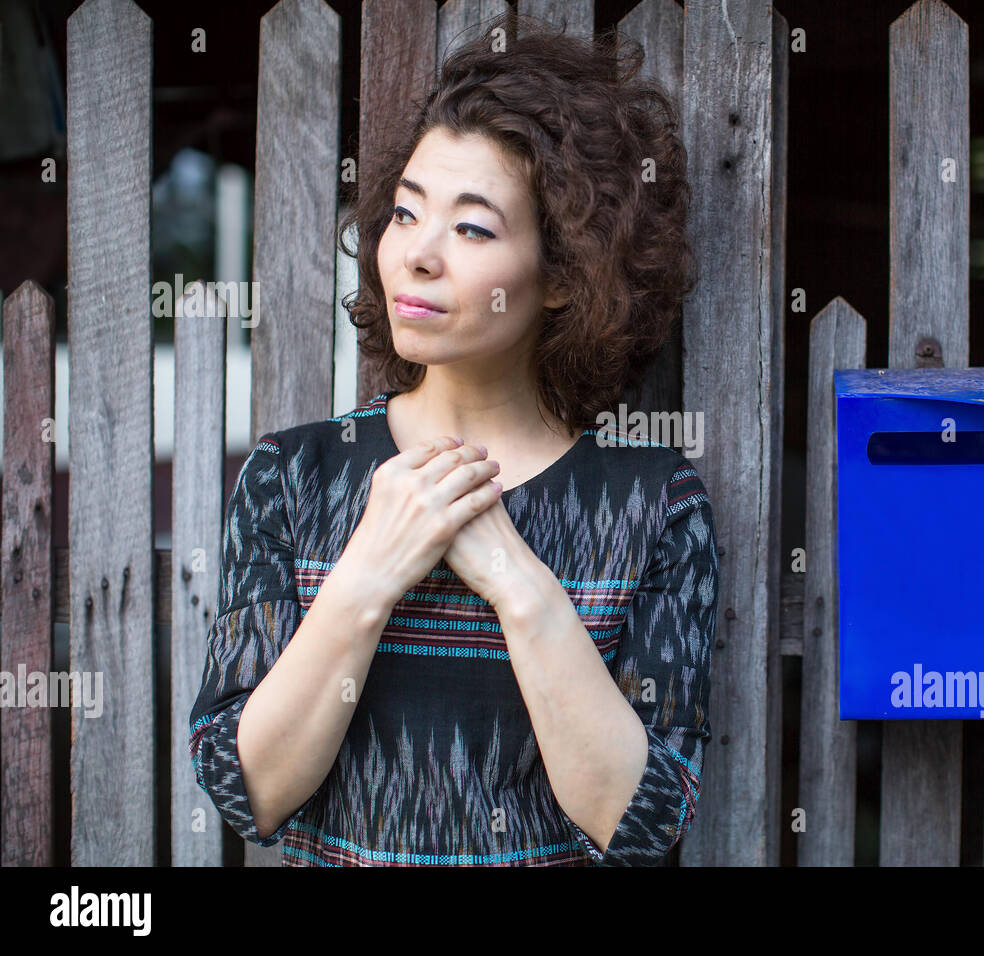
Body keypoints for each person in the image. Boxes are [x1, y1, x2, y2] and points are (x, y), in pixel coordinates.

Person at [188, 13, 717, 867]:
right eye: (405, 214)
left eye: (473, 228)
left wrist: (516, 580)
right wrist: (369, 573)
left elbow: (641, 819)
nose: (417, 256)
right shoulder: (292, 477)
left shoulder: (652, 505)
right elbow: (244, 789)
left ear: (563, 275)